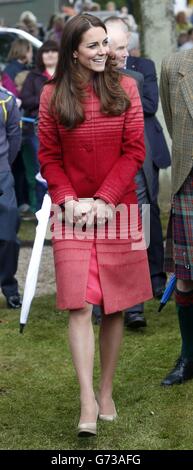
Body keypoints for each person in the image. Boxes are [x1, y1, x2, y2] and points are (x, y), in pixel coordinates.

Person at [38, 13, 152, 437]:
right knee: (78, 303)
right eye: (94, 45)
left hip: (117, 207)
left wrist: (105, 199)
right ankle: (87, 397)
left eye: (105, 42)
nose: (104, 51)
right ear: (73, 52)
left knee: (115, 304)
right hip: (70, 211)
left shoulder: (127, 88)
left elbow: (134, 150)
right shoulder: (51, 96)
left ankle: (106, 390)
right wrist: (67, 200)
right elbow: (48, 156)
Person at [127, 35, 171, 302]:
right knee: (131, 214)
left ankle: (156, 277)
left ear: (130, 47)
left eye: (122, 47)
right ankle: (135, 277)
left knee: (149, 211)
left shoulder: (144, 66)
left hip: (148, 148)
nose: (117, 52)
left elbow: (151, 104)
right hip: (123, 148)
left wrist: (118, 101)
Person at [160, 49, 193, 386]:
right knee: (186, 276)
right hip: (189, 180)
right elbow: (173, 121)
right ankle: (188, 357)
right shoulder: (173, 65)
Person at [21, 40, 59, 212]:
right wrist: (47, 98)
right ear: (41, 56)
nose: (50, 54)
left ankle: (59, 209)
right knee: (40, 171)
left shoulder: (66, 75)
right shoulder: (33, 76)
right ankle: (39, 211)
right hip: (37, 128)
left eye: (53, 51)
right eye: (46, 51)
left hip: (63, 128)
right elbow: (25, 100)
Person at [0, 87, 22, 308]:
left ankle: (9, 287)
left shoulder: (6, 101)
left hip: (1, 175)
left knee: (7, 234)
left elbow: (15, 137)